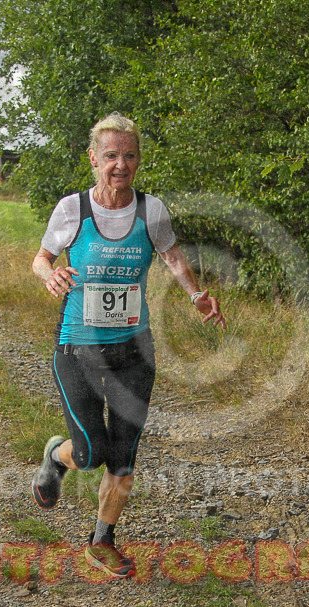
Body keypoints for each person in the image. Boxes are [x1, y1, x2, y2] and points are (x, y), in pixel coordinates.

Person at [31, 112, 226, 578]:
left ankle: (102, 540)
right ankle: (56, 457)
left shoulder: (150, 210)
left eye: (130, 155)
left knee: (123, 459)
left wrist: (197, 296)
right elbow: (41, 258)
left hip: (134, 354)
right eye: (112, 155)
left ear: (138, 160)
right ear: (94, 158)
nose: (121, 164)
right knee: (89, 453)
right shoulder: (72, 209)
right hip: (77, 350)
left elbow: (172, 256)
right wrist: (50, 274)